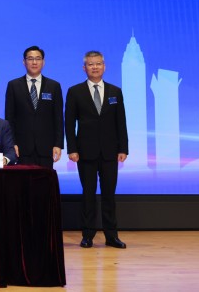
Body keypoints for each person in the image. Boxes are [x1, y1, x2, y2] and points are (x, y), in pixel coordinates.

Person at [65, 50, 129, 249]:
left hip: (110, 152)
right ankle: (88, 235)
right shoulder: (75, 91)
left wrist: (123, 148)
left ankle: (112, 236)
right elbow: (69, 123)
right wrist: (72, 149)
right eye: (91, 64)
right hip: (85, 152)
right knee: (88, 194)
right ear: (84, 68)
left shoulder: (115, 92)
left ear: (104, 66)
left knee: (109, 194)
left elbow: (121, 123)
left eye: (98, 64)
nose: (95, 67)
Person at [5, 46, 64, 167]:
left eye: (38, 58)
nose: (34, 62)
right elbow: (9, 118)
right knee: (23, 184)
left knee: (44, 184)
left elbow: (58, 118)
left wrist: (58, 144)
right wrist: (12, 143)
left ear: (43, 62)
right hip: (21, 148)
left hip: (46, 148)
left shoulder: (54, 86)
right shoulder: (13, 85)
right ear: (24, 62)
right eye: (30, 59)